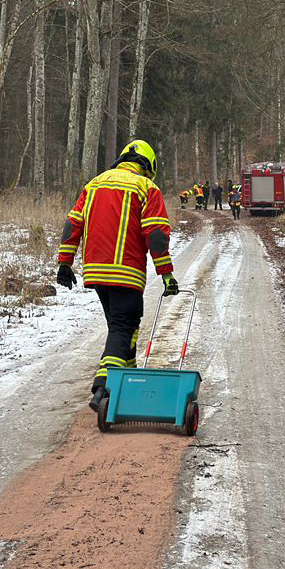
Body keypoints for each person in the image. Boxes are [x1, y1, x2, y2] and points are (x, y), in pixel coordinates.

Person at [55, 138, 179, 409]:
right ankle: (103, 387)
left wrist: (65, 262)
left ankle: (128, 383)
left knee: (121, 328)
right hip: (127, 271)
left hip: (96, 272)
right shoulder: (146, 187)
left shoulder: (94, 184)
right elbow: (156, 233)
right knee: (124, 326)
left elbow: (73, 223)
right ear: (148, 166)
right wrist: (166, 273)